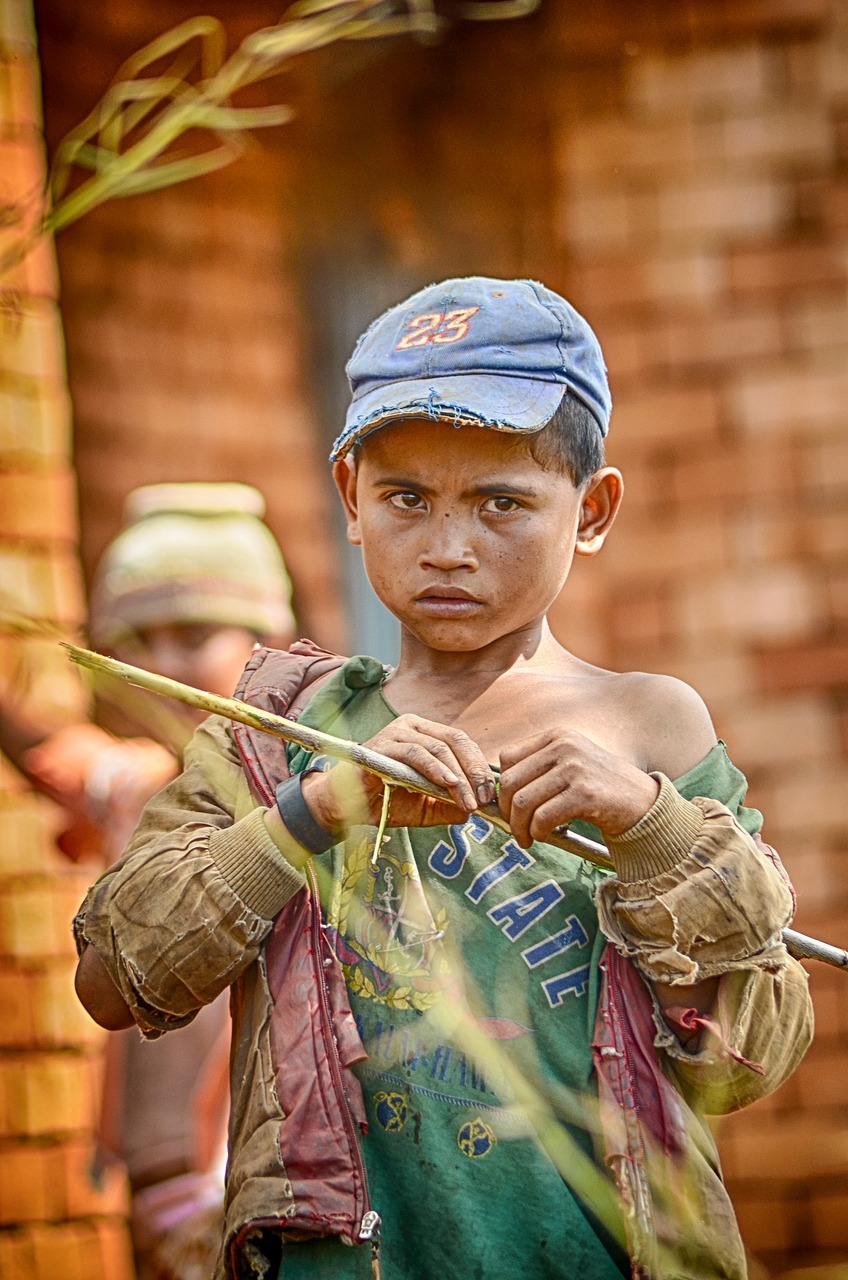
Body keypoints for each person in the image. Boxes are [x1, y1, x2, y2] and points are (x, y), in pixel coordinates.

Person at [73, 278, 813, 1280]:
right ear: (349, 498)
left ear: (591, 509)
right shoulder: (282, 728)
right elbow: (115, 977)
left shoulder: (646, 725)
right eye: (405, 498)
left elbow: (753, 1052)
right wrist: (314, 809)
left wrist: (651, 828)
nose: (448, 547)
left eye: (501, 501)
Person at [17, 482, 296, 1280]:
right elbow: (47, 757)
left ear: (271, 641)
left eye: (193, 633)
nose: (162, 662)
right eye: (134, 640)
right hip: (158, 1202)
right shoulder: (142, 788)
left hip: (243, 1186)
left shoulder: (296, 797)